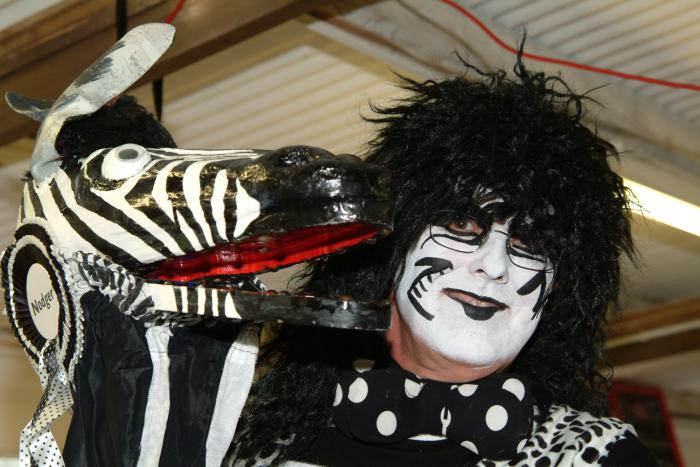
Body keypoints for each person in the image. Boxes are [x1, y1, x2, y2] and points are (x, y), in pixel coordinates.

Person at [226, 57, 658, 466]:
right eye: (460, 224)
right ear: (391, 242)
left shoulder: (596, 458)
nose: (494, 266)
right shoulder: (259, 444)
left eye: (529, 243)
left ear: (557, 288)